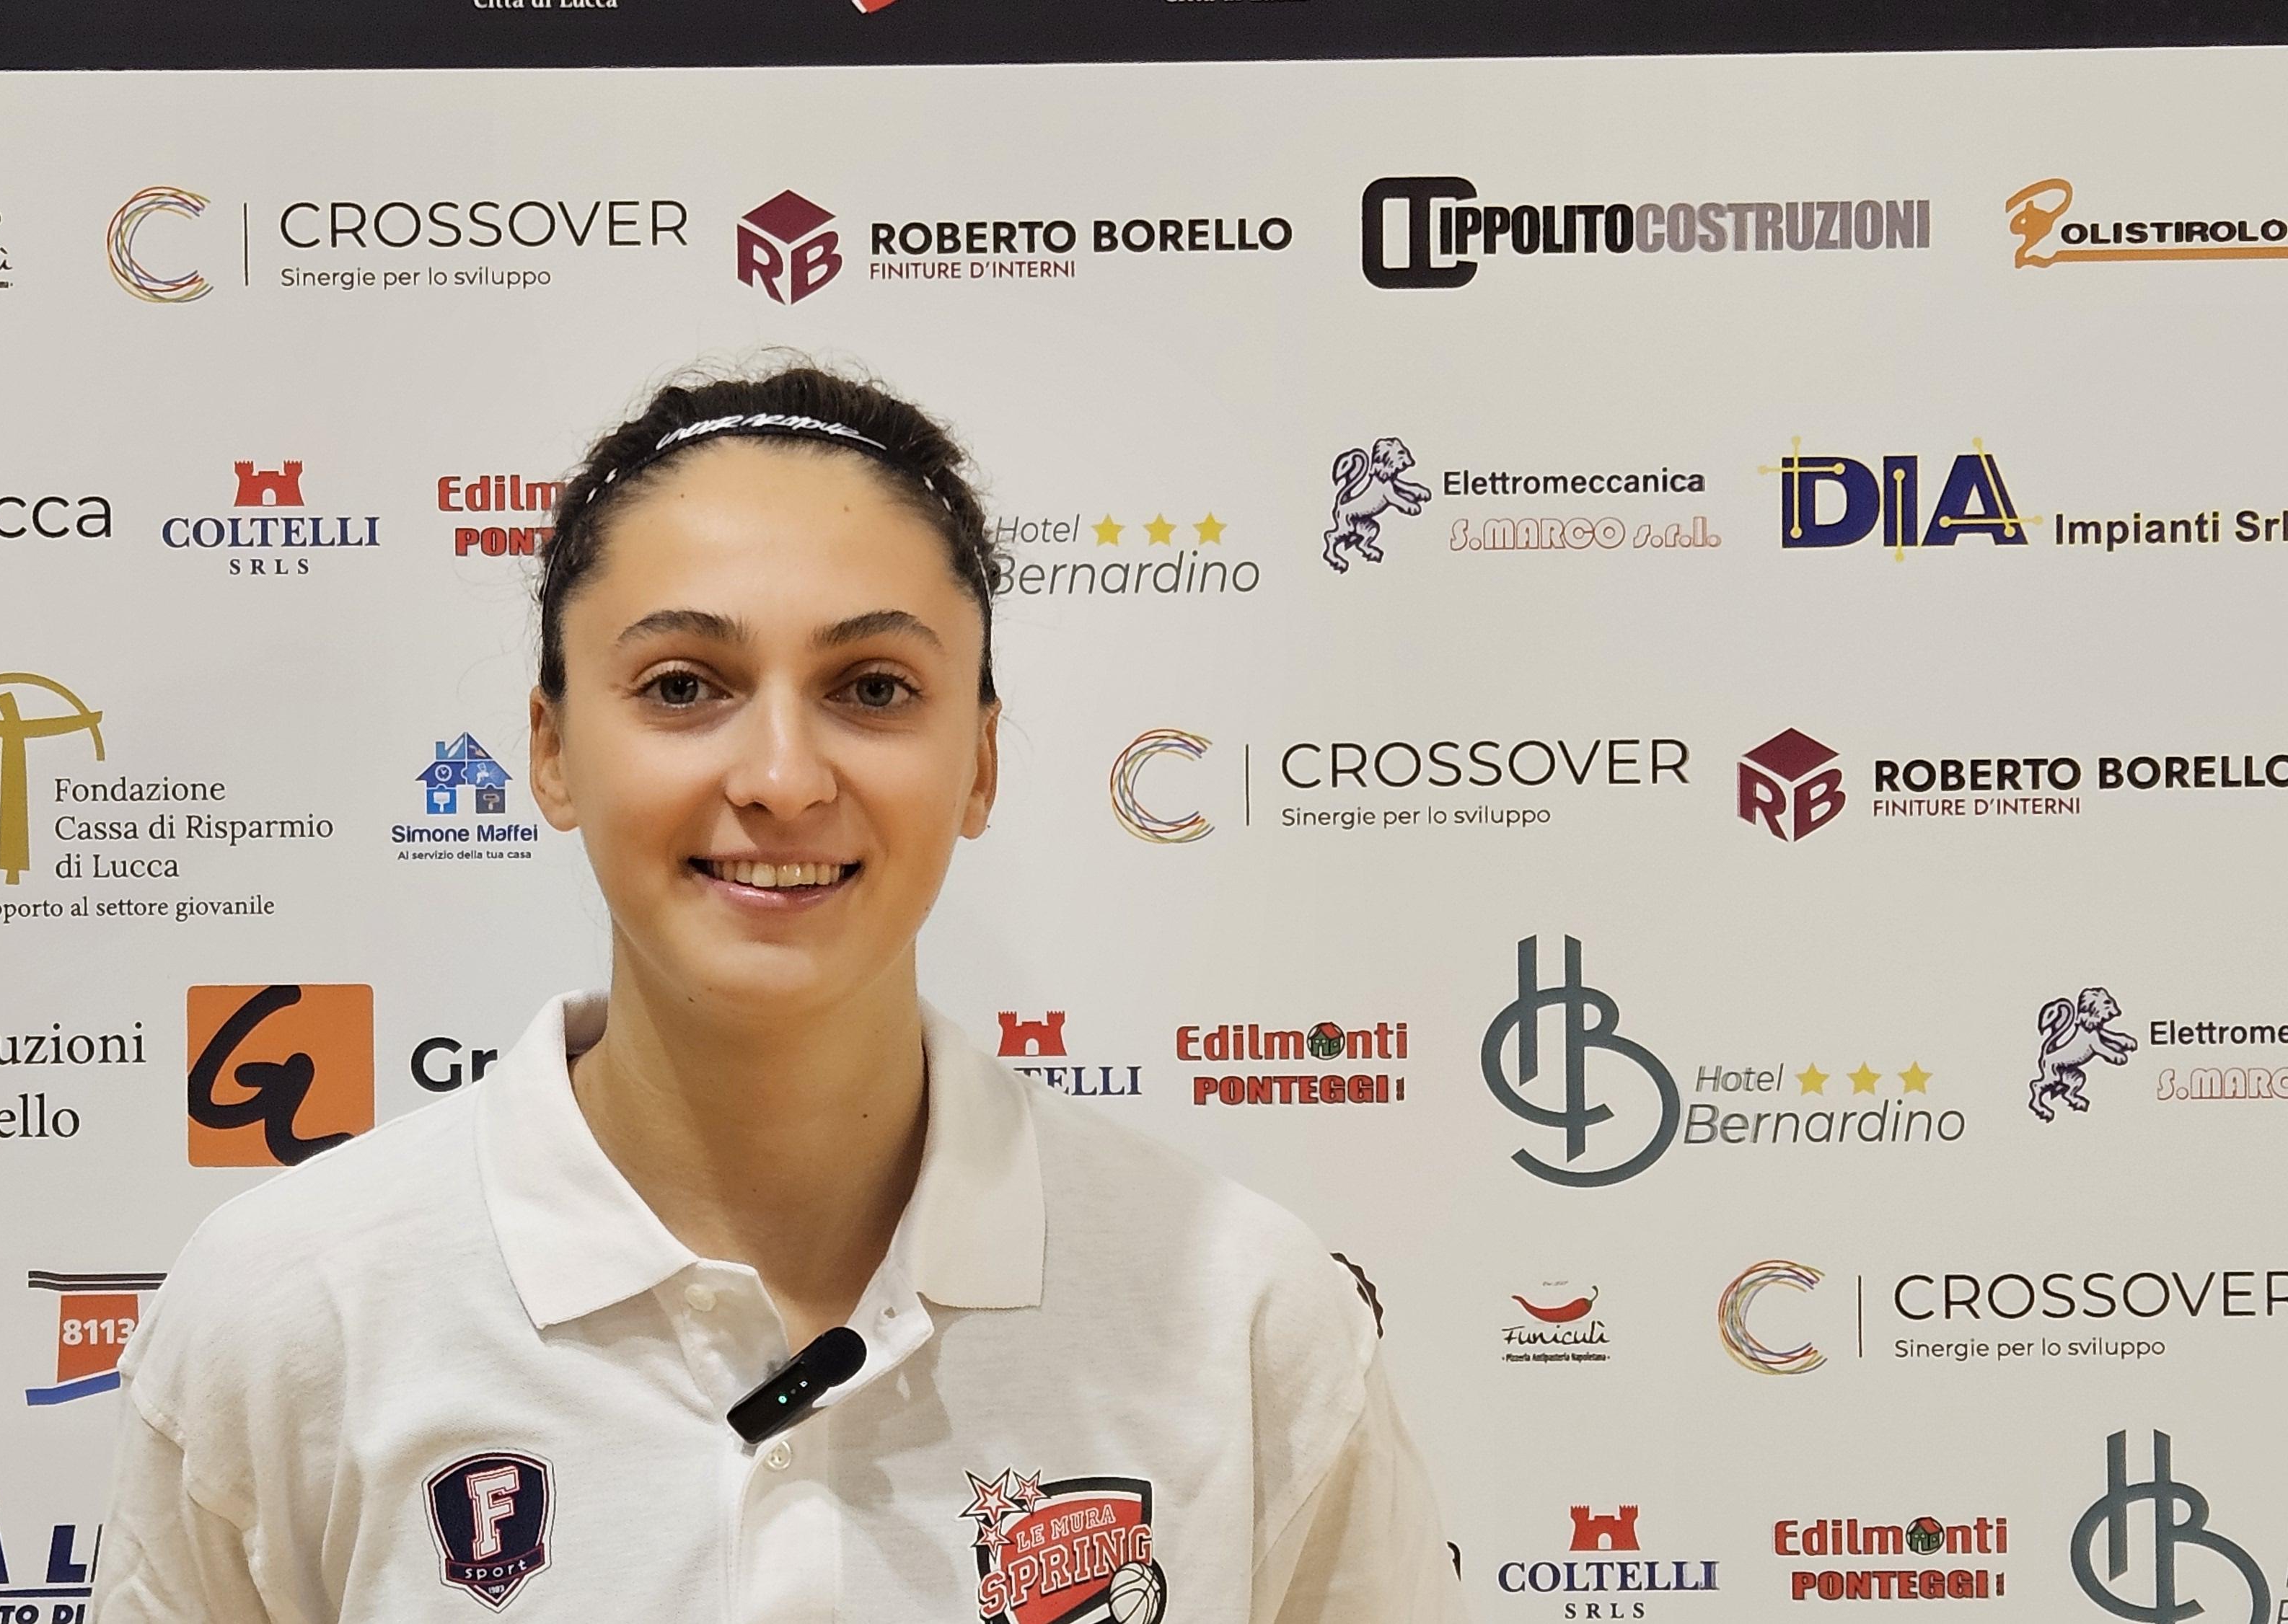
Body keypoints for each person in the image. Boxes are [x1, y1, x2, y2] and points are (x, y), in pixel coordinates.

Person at [95, 361, 1466, 1623]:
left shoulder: (1245, 1318)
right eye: (683, 685)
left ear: (980, 763)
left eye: (873, 688)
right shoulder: (290, 1318)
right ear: (552, 750)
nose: (783, 778)